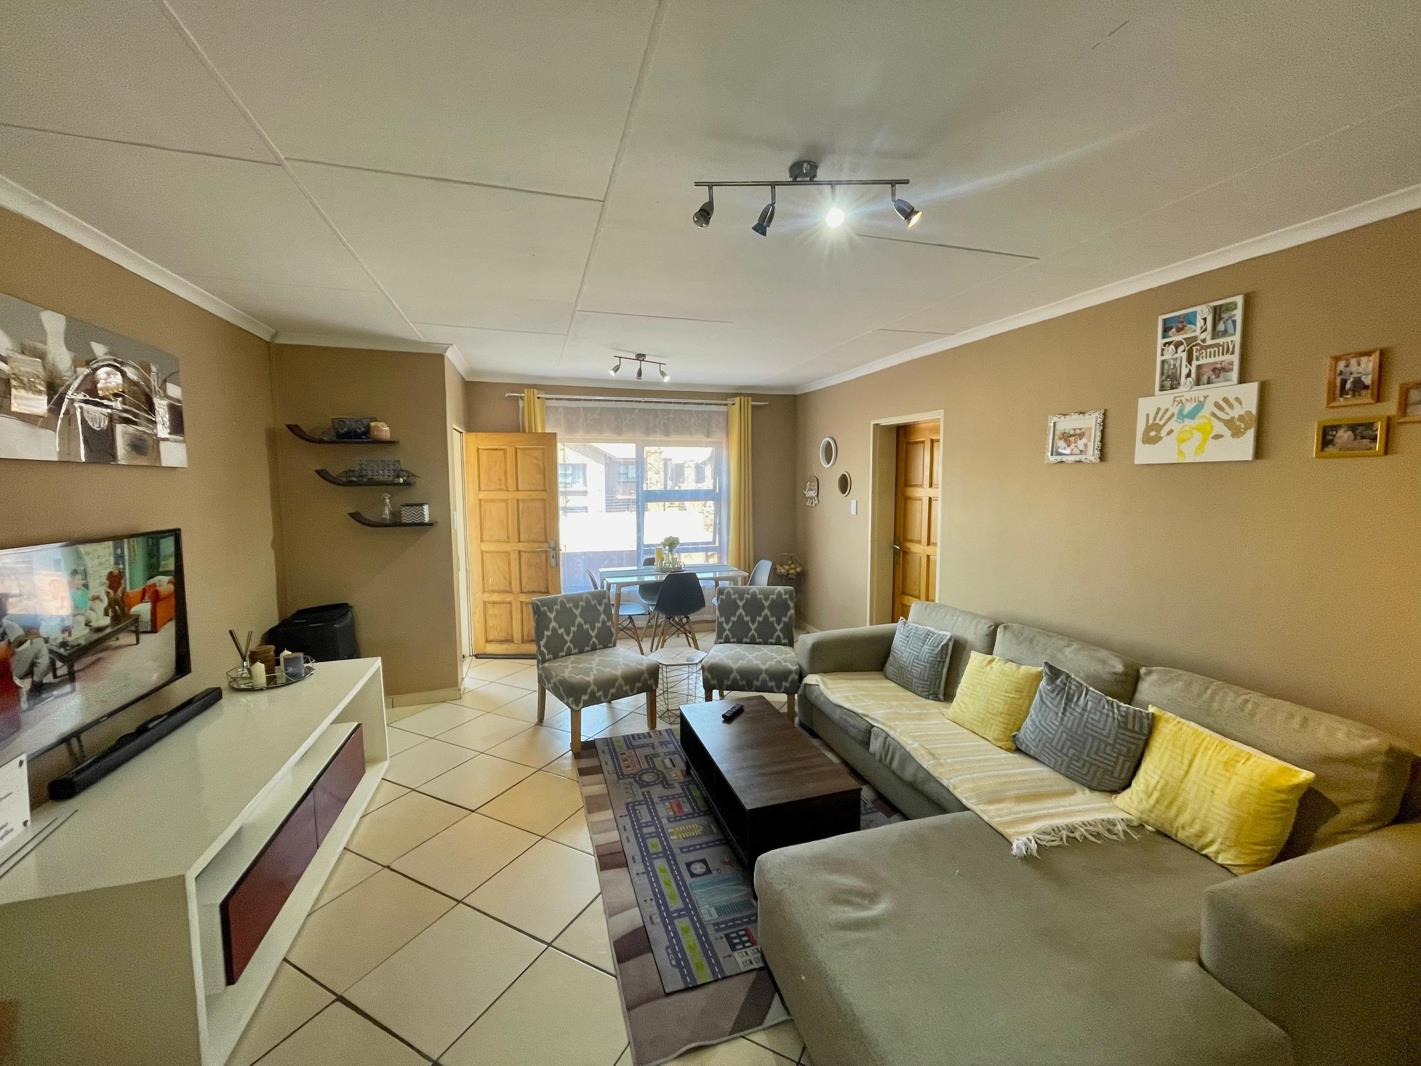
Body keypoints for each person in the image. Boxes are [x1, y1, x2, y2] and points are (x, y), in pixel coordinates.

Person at [0, 593, 51, 692]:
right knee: (40, 646)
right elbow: (7, 653)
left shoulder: (7, 623)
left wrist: (24, 639)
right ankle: (36, 686)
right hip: (6, 669)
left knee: (39, 645)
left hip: (8, 663)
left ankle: (37, 684)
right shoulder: (8, 623)